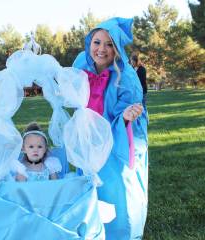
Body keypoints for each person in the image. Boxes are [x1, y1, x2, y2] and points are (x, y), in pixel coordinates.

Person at [73, 17, 148, 239]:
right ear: (89, 43)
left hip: (117, 145)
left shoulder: (126, 78)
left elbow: (136, 123)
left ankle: (121, 234)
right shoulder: (81, 66)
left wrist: (124, 118)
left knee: (117, 192)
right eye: (97, 42)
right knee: (89, 190)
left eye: (109, 44)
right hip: (89, 143)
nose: (102, 49)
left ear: (116, 49)